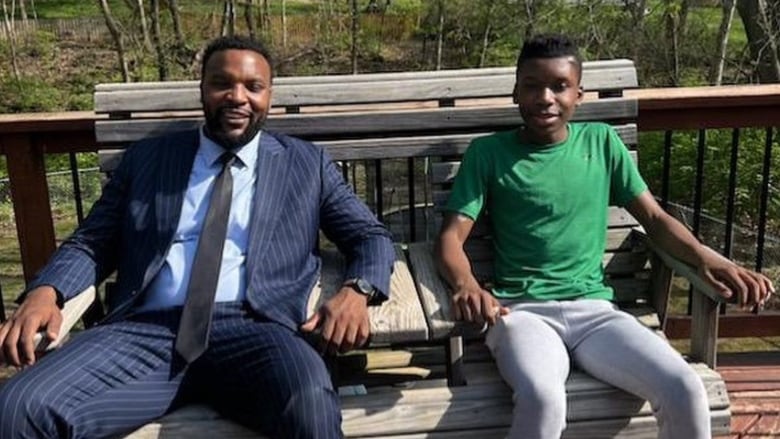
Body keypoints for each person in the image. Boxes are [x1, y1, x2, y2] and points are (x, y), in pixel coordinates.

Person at [0, 35, 395, 439]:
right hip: (145, 334)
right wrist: (46, 291)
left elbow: (370, 235)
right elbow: (91, 241)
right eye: (222, 83)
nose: (237, 97)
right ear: (203, 89)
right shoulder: (149, 159)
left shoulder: (306, 164)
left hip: (259, 332)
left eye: (253, 87)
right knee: (17, 408)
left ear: (269, 96)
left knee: (310, 405)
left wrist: (358, 290)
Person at [436, 34, 774, 439]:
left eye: (559, 86)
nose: (546, 97)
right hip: (522, 314)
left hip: (596, 315)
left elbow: (653, 217)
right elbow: (451, 239)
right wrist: (467, 285)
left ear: (579, 94)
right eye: (533, 85)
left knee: (684, 387)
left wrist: (708, 259)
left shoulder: (601, 142)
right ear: (516, 92)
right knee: (544, 397)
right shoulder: (488, 154)